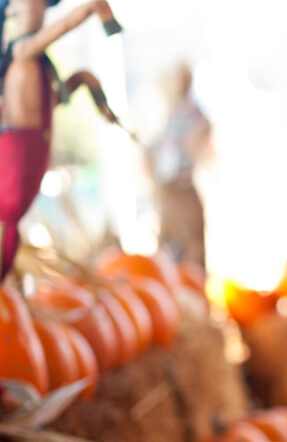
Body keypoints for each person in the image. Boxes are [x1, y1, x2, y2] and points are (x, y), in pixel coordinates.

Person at [0, 0, 121, 281]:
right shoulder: (22, 50)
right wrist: (93, 9)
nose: (40, 9)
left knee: (9, 225)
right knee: (7, 222)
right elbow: (65, 25)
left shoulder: (35, 63)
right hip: (18, 160)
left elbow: (47, 103)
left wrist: (92, 88)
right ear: (14, 10)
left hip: (28, 155)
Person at [146, 61, 210, 267]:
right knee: (169, 255)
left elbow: (202, 133)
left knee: (192, 255)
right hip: (168, 193)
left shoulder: (193, 113)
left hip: (183, 190)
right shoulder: (171, 115)